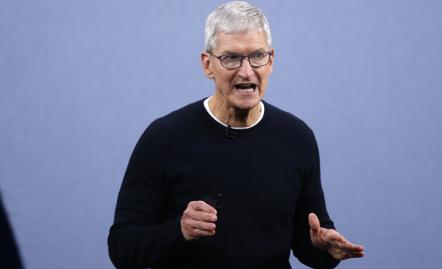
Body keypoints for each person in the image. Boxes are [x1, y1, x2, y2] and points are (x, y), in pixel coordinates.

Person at [108, 1, 364, 268]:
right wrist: (179, 232)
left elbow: (308, 241)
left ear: (271, 61)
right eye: (231, 58)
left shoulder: (297, 138)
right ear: (208, 65)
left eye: (257, 56)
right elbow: (123, 247)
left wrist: (324, 250)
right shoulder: (163, 138)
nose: (246, 71)